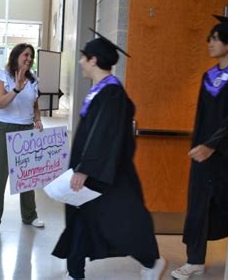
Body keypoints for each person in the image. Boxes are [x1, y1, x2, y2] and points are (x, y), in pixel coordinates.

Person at [51, 29, 165, 280]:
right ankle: (75, 272)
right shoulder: (101, 90)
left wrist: (84, 168)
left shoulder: (111, 92)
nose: (80, 61)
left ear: (94, 60)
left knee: (118, 221)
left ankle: (151, 261)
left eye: (84, 57)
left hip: (106, 173)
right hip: (93, 169)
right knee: (80, 218)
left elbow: (102, 134)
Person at [171, 15, 228, 280]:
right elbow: (201, 118)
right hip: (204, 154)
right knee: (199, 205)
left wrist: (214, 145)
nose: (210, 43)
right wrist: (199, 146)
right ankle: (195, 260)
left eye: (215, 39)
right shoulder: (208, 77)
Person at [0, 43, 44, 237]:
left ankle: (29, 215)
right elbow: (0, 103)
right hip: (3, 128)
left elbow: (34, 103)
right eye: (25, 55)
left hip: (26, 129)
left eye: (31, 56)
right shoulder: (2, 75)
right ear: (16, 55)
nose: (29, 58)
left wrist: (38, 119)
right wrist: (16, 89)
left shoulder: (33, 79)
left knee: (27, 176)